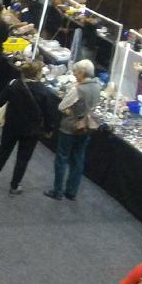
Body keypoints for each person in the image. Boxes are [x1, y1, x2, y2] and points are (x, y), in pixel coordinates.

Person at [0, 61, 51, 195]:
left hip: (12, 126)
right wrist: (49, 129)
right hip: (32, 130)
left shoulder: (13, 84)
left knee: (3, 151)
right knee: (23, 158)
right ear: (38, 73)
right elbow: (48, 113)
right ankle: (14, 186)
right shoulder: (43, 91)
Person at [45, 59, 102, 201]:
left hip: (69, 128)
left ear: (82, 72)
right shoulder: (97, 86)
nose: (75, 74)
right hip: (86, 128)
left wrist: (69, 109)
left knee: (62, 158)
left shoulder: (78, 89)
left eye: (76, 72)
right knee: (78, 159)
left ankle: (57, 191)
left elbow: (61, 106)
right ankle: (71, 191)